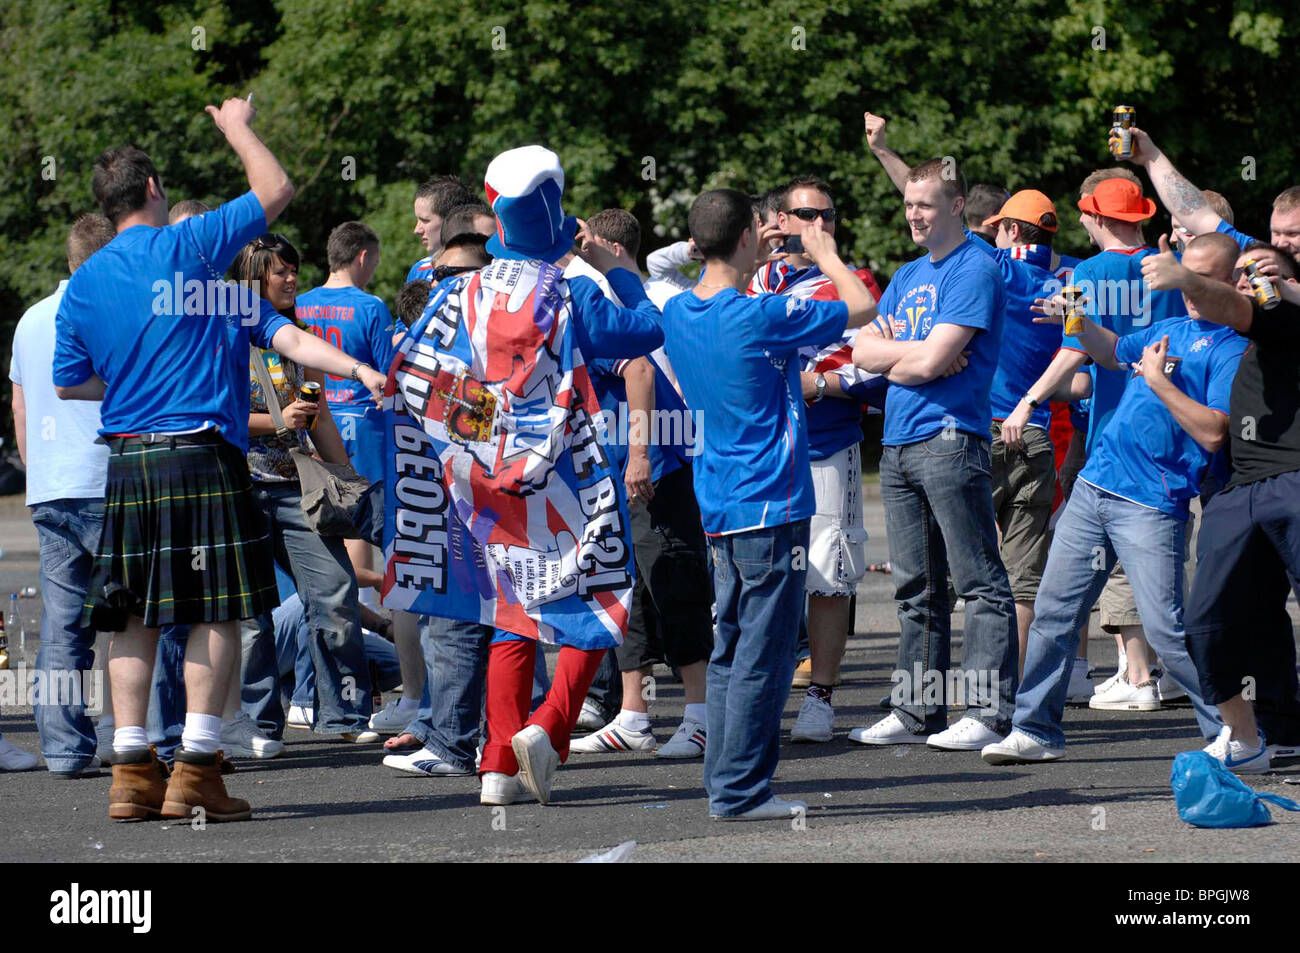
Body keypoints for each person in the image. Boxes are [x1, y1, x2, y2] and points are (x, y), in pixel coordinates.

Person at [52, 98, 385, 824]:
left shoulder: (85, 284)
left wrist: (137, 379)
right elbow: (275, 189)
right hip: (203, 455)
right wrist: (235, 123)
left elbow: (69, 381)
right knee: (221, 613)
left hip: (132, 458)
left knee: (129, 616)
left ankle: (131, 771)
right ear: (151, 191)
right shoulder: (191, 248)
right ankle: (198, 768)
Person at [381, 145, 664, 806]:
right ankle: (549, 725)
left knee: (514, 612)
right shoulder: (570, 296)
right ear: (560, 220)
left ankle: (497, 765)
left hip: (490, 484)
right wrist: (615, 267)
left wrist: (479, 437)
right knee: (601, 598)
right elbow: (648, 329)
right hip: (571, 482)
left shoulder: (458, 292)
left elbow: (407, 367)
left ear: (496, 218)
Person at [981, 233, 1247, 764]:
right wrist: (1074, 309)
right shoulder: (1168, 328)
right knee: (1056, 612)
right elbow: (1105, 350)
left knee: (1168, 630)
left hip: (1152, 503)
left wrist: (1160, 381)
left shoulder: (1233, 348)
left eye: (1202, 278)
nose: (1189, 289)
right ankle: (1035, 730)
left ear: (1231, 283)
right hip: (1094, 486)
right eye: (1184, 275)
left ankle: (1236, 735)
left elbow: (1215, 433)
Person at [660, 187, 875, 819]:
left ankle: (724, 782)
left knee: (730, 648)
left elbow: (655, 269)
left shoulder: (679, 311)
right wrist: (825, 252)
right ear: (751, 237)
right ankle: (741, 791)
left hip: (721, 504)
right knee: (763, 654)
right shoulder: (759, 316)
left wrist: (725, 241)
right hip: (771, 504)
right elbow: (861, 306)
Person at [850, 156, 1018, 752]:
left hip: (951, 438)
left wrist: (907, 354)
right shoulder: (907, 274)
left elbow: (911, 360)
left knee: (978, 581)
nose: (913, 214)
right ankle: (915, 710)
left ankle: (986, 713)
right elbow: (864, 349)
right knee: (915, 588)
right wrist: (916, 354)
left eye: (924, 204)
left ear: (954, 205)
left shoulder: (974, 268)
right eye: (908, 204)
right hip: (896, 443)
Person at [999, 172, 1185, 706]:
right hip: (1171, 430)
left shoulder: (1083, 274)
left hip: (1110, 434)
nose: (1078, 219)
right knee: (1153, 571)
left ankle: (1101, 684)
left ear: (1099, 218)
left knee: (1067, 580)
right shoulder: (1168, 272)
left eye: (1085, 212)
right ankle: (1158, 678)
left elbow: (1074, 355)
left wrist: (1030, 399)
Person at [566, 208, 713, 760]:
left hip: (652, 466)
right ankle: (632, 716)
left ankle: (700, 716)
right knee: (625, 590)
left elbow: (641, 371)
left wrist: (641, 455)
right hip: (611, 470)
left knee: (673, 582)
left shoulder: (583, 297)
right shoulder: (559, 295)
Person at [228, 233, 379, 750]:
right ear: (254, 277)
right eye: (280, 272)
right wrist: (273, 421)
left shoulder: (301, 336)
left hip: (297, 487)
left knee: (335, 595)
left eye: (294, 270)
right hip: (240, 488)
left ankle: (346, 715)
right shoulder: (225, 335)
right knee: (253, 617)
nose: (292, 279)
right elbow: (217, 417)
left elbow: (318, 414)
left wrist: (346, 475)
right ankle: (259, 724)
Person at [749, 176, 885, 743]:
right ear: (778, 220)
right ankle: (760, 696)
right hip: (762, 449)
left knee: (829, 572)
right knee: (761, 571)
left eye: (827, 214)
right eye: (805, 214)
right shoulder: (753, 281)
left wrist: (822, 385)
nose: (819, 224)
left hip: (828, 443)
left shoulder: (854, 282)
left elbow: (880, 370)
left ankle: (821, 699)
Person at [1158, 241, 1300, 772]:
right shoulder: (1230, 338)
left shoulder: (1282, 315)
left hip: (1292, 479)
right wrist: (1149, 156)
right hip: (1238, 490)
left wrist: (1181, 277)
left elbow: (1237, 302)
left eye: (1261, 272)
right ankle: (1254, 735)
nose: (1248, 280)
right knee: (1209, 620)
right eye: (1240, 273)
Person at [11, 213, 116, 778]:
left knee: (62, 625)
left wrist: (39, 473)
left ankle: (65, 748)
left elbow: (20, 407)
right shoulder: (107, 312)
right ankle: (152, 737)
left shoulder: (29, 319)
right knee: (142, 614)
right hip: (105, 478)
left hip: (50, 485)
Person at [1114, 125, 1299, 256]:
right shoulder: (1260, 256)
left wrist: (1285, 290)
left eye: (1292, 234)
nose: (1281, 243)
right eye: (1276, 233)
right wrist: (1151, 157)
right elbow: (1196, 214)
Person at [407, 175, 475, 282]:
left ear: (453, 220)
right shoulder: (420, 270)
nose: (417, 230)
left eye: (425, 220)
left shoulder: (488, 268)